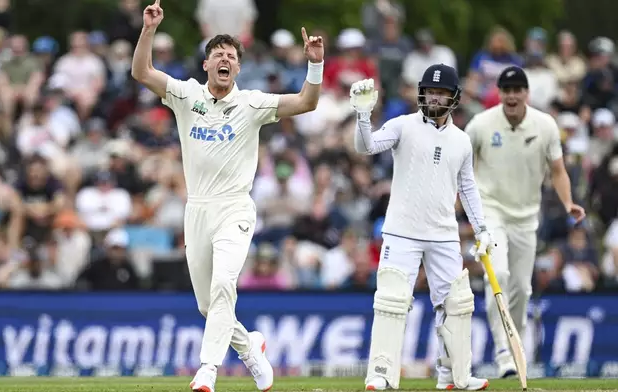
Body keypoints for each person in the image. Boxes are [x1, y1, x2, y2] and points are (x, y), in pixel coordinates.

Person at [131, 1, 325, 391]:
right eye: (217, 54)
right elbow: (141, 71)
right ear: (206, 65)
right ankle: (250, 349)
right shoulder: (186, 96)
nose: (224, 59)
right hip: (197, 208)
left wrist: (315, 64)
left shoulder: (252, 103)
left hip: (235, 207)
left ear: (238, 68)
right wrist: (149, 29)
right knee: (208, 305)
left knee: (224, 286)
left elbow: (307, 102)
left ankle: (207, 370)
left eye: (231, 56)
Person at [351, 64, 493, 391]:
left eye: (441, 92)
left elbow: (468, 188)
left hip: (443, 234)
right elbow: (366, 146)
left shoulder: (461, 141)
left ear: (454, 97)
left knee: (456, 303)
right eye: (430, 90)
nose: (434, 97)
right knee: (391, 299)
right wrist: (362, 115)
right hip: (401, 231)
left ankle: (454, 376)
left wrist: (482, 228)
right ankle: (381, 373)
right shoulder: (403, 125)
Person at [464, 65, 585, 378]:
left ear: (527, 94)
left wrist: (568, 202)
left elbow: (557, 170)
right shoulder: (481, 124)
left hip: (527, 217)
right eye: (507, 90)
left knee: (521, 289)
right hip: (490, 212)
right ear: (500, 93)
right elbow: (460, 163)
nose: (512, 95)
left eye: (518, 90)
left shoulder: (544, 125)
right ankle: (503, 352)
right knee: (499, 275)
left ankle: (514, 346)